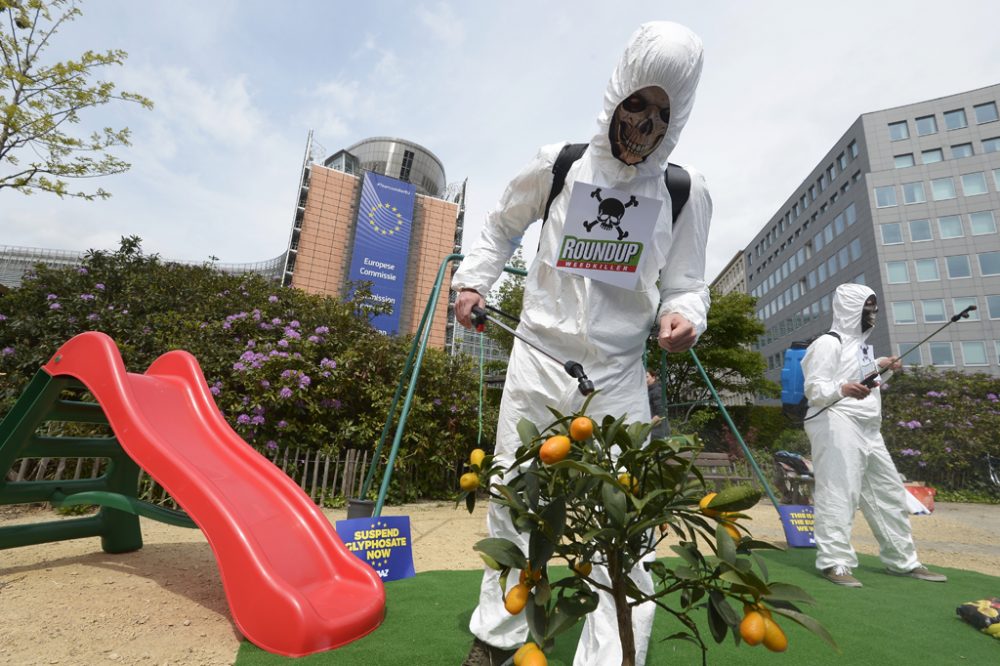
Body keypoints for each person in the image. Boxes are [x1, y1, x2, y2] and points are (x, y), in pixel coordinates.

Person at [452, 21, 712, 666]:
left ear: (677, 118)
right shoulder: (559, 165)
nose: (645, 123)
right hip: (539, 358)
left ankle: (614, 653)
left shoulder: (683, 191)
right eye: (636, 103)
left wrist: (686, 316)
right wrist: (472, 282)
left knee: (628, 518)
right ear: (615, 94)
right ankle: (499, 636)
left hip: (620, 374)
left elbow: (687, 280)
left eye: (661, 111)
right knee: (515, 500)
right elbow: (499, 226)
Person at [801, 283, 947, 588]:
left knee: (888, 492)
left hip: (868, 426)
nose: (873, 315)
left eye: (875, 309)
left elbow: (868, 382)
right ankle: (835, 562)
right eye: (868, 308)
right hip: (836, 421)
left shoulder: (864, 348)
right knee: (840, 493)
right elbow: (815, 388)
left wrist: (883, 367)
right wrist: (841, 389)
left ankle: (903, 561)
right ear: (851, 309)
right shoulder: (828, 344)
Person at [646, 369, 670, 439]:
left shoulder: (657, 391)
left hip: (658, 432)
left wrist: (645, 429)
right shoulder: (648, 392)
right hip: (653, 432)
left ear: (653, 378)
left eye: (647, 377)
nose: (644, 379)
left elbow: (660, 414)